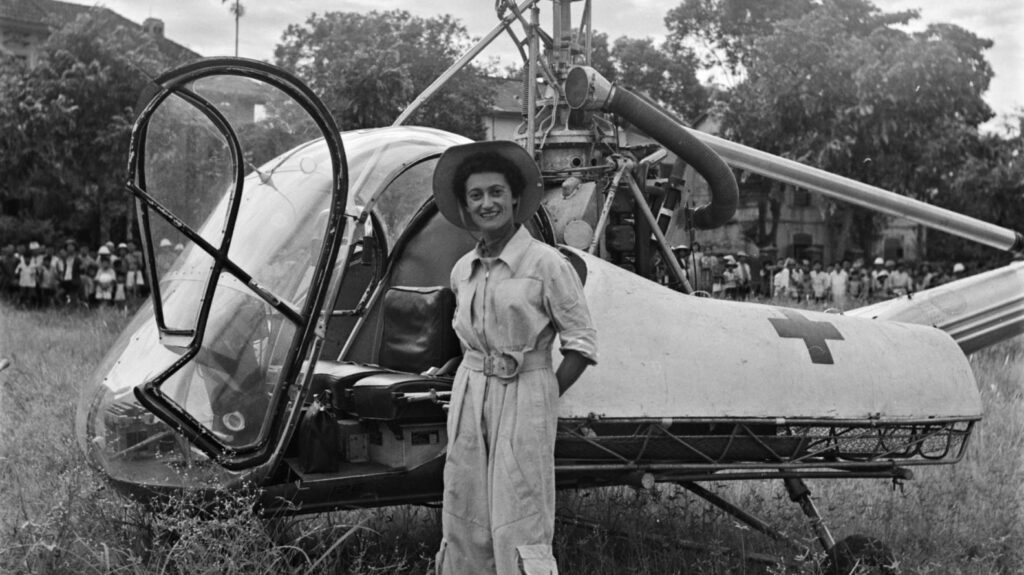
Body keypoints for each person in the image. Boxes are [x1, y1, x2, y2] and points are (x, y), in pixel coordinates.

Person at [431, 140, 597, 575]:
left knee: (520, 517)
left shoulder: (547, 264)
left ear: (516, 199)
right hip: (469, 397)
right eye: (476, 195)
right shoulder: (462, 269)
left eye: (496, 192)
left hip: (526, 397)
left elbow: (581, 342)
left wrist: (542, 393)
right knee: (464, 510)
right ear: (466, 209)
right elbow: (470, 340)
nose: (488, 203)